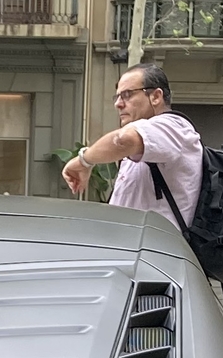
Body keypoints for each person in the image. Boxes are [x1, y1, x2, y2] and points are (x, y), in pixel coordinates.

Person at [61, 63, 201, 232]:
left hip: (154, 253)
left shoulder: (173, 126)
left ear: (156, 96)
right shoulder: (144, 140)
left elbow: (123, 140)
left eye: (127, 95)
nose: (118, 104)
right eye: (117, 97)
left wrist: (83, 160)